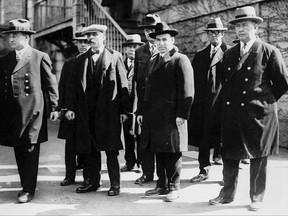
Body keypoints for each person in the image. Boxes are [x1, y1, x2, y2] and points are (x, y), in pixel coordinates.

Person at [208, 6, 288, 211]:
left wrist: (263, 101)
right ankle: (226, 194)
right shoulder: (230, 54)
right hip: (233, 113)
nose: (241, 30)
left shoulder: (269, 51)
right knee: (230, 156)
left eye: (245, 25)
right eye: (237, 26)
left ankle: (257, 197)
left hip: (259, 114)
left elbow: (282, 83)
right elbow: (225, 85)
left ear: (256, 28)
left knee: (258, 157)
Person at [65, 24, 129, 196]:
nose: (91, 38)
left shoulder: (115, 57)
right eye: (89, 35)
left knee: (111, 150)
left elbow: (123, 85)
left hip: (109, 112)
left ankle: (115, 184)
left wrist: (125, 111)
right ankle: (92, 182)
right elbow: (72, 86)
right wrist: (70, 108)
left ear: (103, 37)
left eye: (95, 35)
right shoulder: (80, 60)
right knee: (89, 149)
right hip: (86, 113)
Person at [0, 19, 59, 203]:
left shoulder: (39, 56)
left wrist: (55, 107)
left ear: (26, 37)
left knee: (31, 150)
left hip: (33, 111)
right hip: (12, 113)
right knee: (19, 149)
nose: (11, 39)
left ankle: (28, 189)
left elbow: (50, 84)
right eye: (9, 36)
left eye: (15, 35)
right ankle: (24, 185)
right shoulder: (5, 59)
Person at [140, 22, 194, 202]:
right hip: (155, 117)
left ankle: (175, 187)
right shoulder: (153, 60)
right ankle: (161, 185)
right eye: (158, 40)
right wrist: (142, 112)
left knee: (173, 152)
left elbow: (188, 92)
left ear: (172, 40)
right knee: (159, 151)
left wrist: (182, 115)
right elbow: (147, 89)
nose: (161, 43)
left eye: (165, 40)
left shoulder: (180, 59)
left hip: (172, 117)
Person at [188, 17, 229, 183]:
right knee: (204, 139)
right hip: (204, 106)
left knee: (225, 140)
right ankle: (203, 170)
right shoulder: (200, 56)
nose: (215, 36)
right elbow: (194, 81)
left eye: (218, 33)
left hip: (223, 105)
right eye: (212, 33)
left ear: (222, 34)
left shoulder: (230, 53)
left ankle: (227, 176)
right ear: (207, 35)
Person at [58, 30, 90, 186]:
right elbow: (64, 87)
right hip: (72, 110)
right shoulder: (70, 62)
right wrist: (63, 108)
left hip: (89, 111)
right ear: (76, 43)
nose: (83, 45)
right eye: (80, 42)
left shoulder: (93, 61)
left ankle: (88, 178)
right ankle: (69, 176)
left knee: (88, 145)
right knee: (70, 145)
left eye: (86, 42)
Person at [134, 13, 161, 185]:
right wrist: (139, 110)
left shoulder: (165, 49)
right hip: (145, 103)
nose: (149, 32)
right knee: (145, 141)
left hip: (162, 104)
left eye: (152, 29)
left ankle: (163, 176)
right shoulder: (139, 52)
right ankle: (147, 173)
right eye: (146, 29)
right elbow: (138, 81)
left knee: (162, 141)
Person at [120, 34, 144, 172]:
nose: (131, 50)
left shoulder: (143, 64)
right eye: (129, 47)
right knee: (127, 135)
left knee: (140, 135)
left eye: (135, 47)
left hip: (139, 104)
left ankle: (141, 162)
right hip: (126, 105)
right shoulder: (121, 63)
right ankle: (130, 162)